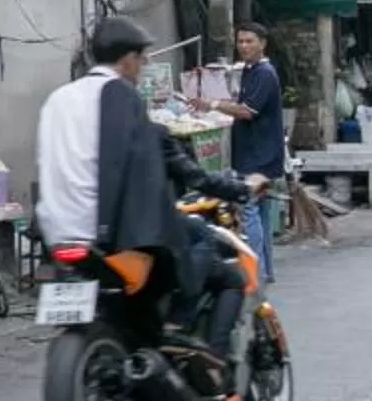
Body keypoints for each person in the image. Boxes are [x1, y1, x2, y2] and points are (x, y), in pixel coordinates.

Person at [37, 18, 259, 361]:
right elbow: (137, 169)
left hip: (57, 232)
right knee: (200, 239)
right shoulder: (120, 97)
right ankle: (183, 330)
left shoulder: (59, 99)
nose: (145, 66)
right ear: (126, 59)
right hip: (106, 230)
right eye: (142, 58)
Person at [223, 25, 286, 285]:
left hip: (258, 157)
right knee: (259, 212)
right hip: (258, 153)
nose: (244, 46)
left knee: (249, 211)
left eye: (250, 41)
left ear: (263, 43)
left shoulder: (264, 73)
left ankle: (255, 273)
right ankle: (266, 270)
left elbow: (248, 112)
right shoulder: (251, 72)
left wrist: (215, 105)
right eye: (240, 41)